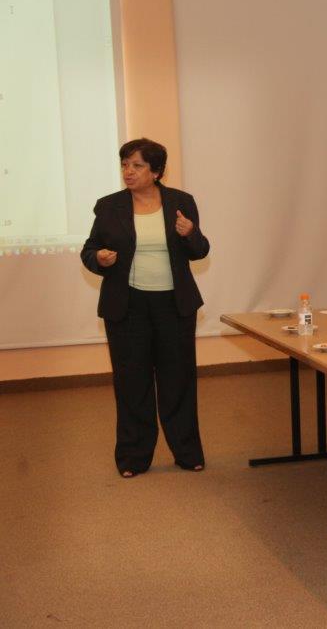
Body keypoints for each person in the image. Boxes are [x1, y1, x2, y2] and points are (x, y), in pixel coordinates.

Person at [81, 138, 210, 478]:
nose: (128, 171)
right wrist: (99, 258)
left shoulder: (181, 202)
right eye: (125, 164)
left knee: (178, 380)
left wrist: (190, 233)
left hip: (174, 305)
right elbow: (89, 250)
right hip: (127, 306)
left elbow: (199, 250)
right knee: (131, 382)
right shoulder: (109, 206)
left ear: (156, 171)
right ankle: (133, 457)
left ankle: (187, 452)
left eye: (137, 165)